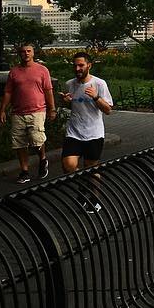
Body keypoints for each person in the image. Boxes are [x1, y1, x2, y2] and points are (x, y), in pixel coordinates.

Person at [61, 53, 113, 212]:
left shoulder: (99, 83)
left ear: (89, 65)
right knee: (68, 165)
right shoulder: (69, 84)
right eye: (75, 65)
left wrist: (96, 97)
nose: (77, 68)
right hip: (74, 132)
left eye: (81, 65)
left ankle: (94, 198)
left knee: (92, 168)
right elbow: (71, 105)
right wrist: (66, 102)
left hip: (94, 133)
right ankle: (83, 186)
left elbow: (108, 110)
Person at [0, 43, 57, 183]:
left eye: (29, 51)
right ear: (20, 54)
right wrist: (2, 110)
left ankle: (42, 159)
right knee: (19, 143)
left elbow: (48, 91)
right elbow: (8, 92)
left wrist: (52, 109)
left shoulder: (42, 70)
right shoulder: (14, 72)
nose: (26, 53)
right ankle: (24, 171)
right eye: (23, 51)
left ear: (33, 53)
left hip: (37, 111)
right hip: (18, 112)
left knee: (37, 140)